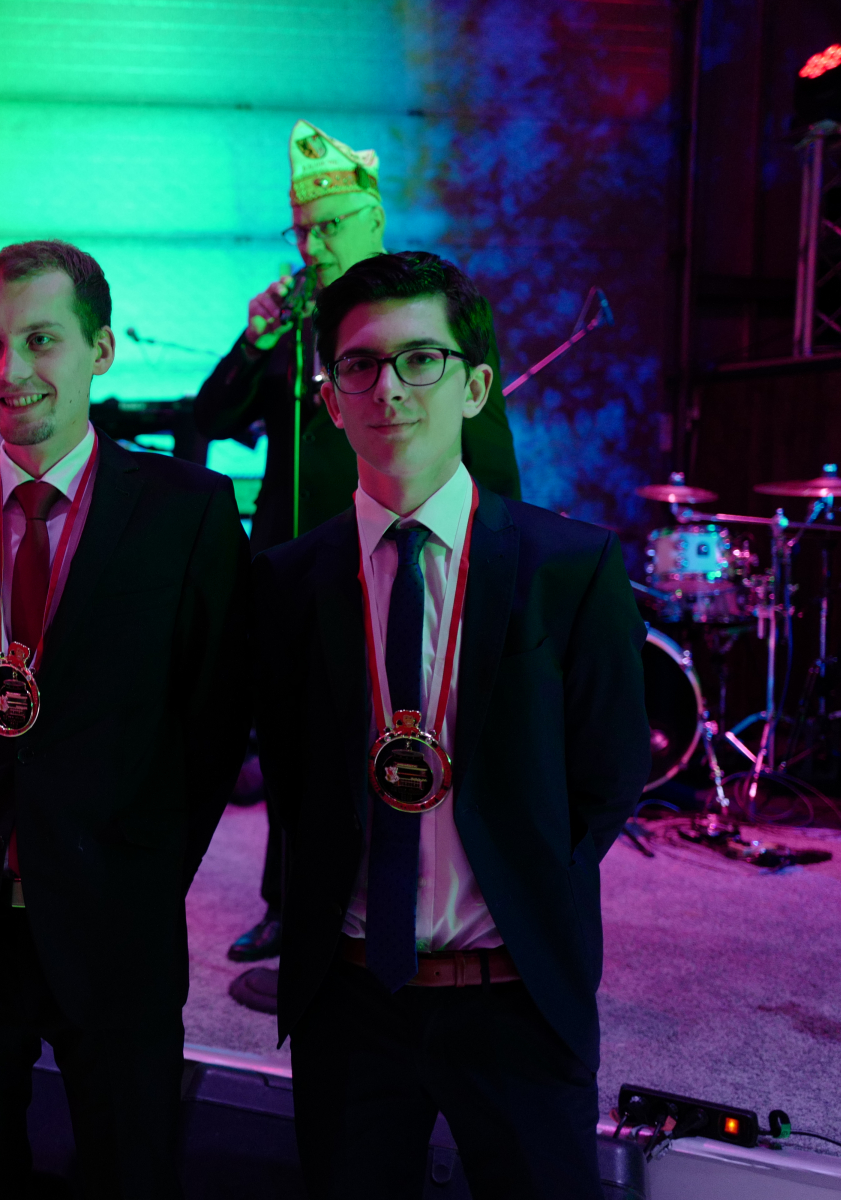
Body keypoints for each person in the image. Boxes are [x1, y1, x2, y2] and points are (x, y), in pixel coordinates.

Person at [253, 252, 648, 1198]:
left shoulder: (570, 568)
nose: (389, 388)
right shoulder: (286, 583)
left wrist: (527, 881)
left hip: (516, 998)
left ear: (474, 387)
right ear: (330, 399)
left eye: (420, 359)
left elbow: (608, 778)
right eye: (360, 365)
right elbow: (296, 779)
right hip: (351, 1000)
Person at [0, 240, 251, 1197]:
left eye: (41, 340)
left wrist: (144, 863)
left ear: (100, 350)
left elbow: (215, 720)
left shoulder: (187, 512)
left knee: (129, 1168)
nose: (9, 370)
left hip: (116, 913)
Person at [196, 121, 523, 964]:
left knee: (400, 723)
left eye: (331, 226)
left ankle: (414, 892)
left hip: (402, 557)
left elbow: (486, 441)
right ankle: (288, 902)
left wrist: (499, 549)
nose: (314, 246)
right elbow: (212, 418)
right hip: (297, 564)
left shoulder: (422, 310)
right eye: (303, 231)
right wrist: (254, 339)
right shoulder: (294, 321)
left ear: (374, 217)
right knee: (294, 733)